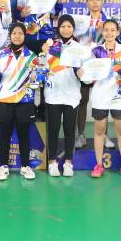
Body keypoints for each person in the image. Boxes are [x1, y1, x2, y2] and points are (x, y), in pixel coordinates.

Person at [84, 19, 121, 178]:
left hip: (119, 97)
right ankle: (99, 165)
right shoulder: (95, 51)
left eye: (112, 30)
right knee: (99, 131)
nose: (109, 33)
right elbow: (88, 78)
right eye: (106, 30)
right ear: (102, 32)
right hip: (100, 96)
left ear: (117, 32)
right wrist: (83, 75)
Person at [0, 22, 38, 181]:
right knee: (4, 134)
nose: (17, 36)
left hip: (24, 101)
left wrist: (37, 78)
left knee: (24, 135)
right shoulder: (0, 55)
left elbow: (36, 81)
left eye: (20, 33)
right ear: (10, 36)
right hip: (4, 101)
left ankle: (25, 166)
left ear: (25, 36)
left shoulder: (32, 56)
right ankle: (3, 166)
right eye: (14, 33)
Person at [74, 0, 119, 150]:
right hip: (85, 64)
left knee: (103, 100)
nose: (94, 2)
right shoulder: (80, 21)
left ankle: (104, 134)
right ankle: (80, 134)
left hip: (103, 64)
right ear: (86, 2)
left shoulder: (109, 22)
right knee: (82, 99)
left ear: (102, 2)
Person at [43, 14, 83, 177]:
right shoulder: (50, 46)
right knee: (53, 129)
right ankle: (52, 162)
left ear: (73, 28)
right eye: (63, 26)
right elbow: (42, 67)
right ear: (58, 28)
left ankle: (68, 163)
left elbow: (86, 75)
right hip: (53, 94)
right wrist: (43, 55)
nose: (66, 29)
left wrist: (82, 74)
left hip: (72, 95)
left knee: (69, 130)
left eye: (69, 26)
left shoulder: (79, 48)